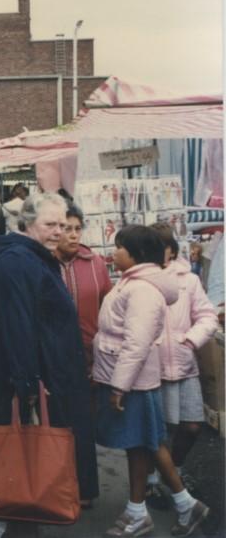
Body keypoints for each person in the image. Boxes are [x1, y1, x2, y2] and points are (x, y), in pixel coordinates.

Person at [0, 193, 98, 538]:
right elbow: (18, 326)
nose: (58, 231)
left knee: (34, 463)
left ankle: (26, 521)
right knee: (27, 458)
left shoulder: (34, 257)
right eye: (50, 224)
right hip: (33, 380)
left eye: (62, 224)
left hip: (45, 374)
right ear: (28, 223)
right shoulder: (18, 261)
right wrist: (27, 385)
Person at [93, 225, 209, 538]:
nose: (113, 252)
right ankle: (160, 508)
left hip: (133, 382)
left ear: (137, 254)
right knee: (144, 444)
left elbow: (137, 342)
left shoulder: (141, 289)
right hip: (132, 379)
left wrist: (119, 386)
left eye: (119, 247)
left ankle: (163, 508)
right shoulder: (133, 282)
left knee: (146, 443)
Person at [144, 223, 219, 510]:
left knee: (191, 426)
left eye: (159, 246)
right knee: (156, 430)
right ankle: (153, 480)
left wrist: (189, 340)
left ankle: (170, 472)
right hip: (152, 367)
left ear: (172, 250)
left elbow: (207, 317)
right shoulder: (139, 280)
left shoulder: (188, 280)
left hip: (185, 365)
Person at [55, 204, 113, 371]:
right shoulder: (43, 264)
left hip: (92, 354)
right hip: (55, 356)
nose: (74, 235)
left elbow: (108, 306)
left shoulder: (96, 264)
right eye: (67, 229)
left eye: (78, 229)